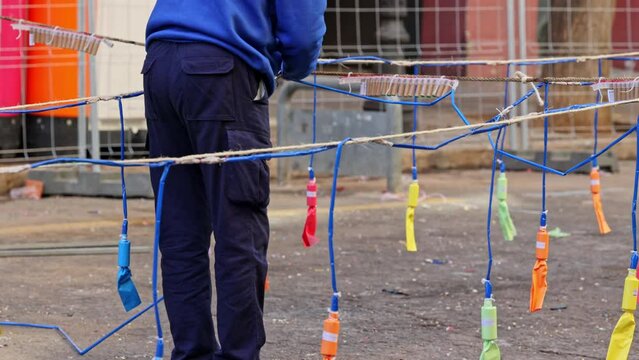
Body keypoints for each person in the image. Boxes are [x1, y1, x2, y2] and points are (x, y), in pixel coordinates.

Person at [143, 2, 327, 359]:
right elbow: (303, 34)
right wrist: (291, 67)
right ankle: (239, 355)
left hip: (159, 64)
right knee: (238, 228)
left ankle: (192, 353)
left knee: (181, 232)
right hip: (222, 70)